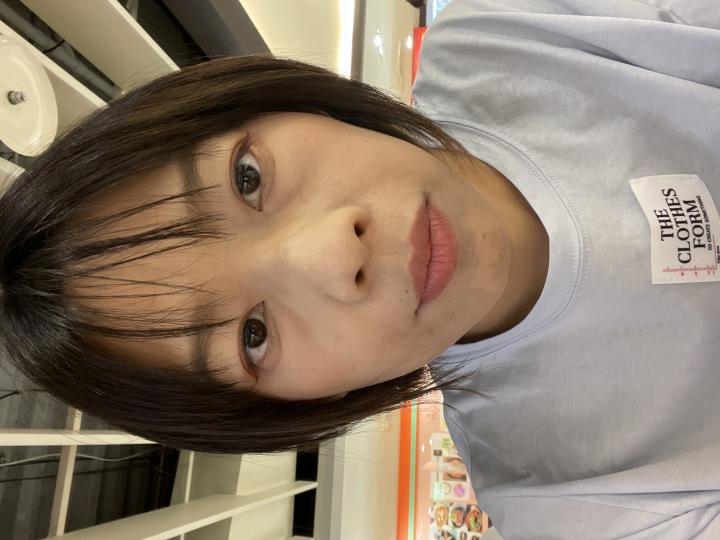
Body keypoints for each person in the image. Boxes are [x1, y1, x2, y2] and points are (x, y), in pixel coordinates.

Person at [0, 0, 718, 537]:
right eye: (253, 336)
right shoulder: (572, 507)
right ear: (303, 408)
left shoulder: (514, 26)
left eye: (247, 178)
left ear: (282, 102)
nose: (334, 255)